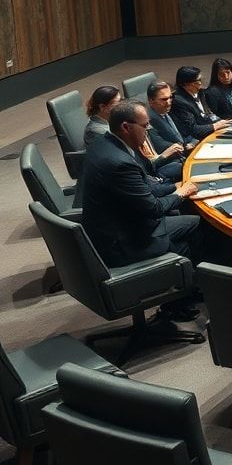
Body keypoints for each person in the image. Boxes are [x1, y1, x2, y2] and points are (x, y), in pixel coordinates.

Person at [78, 100, 201, 321]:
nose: (148, 131)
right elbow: (153, 209)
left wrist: (175, 186)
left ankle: (184, 289)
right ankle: (179, 298)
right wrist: (181, 193)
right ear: (126, 126)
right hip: (123, 242)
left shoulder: (108, 143)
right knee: (195, 223)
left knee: (184, 218)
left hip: (117, 224)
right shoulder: (119, 162)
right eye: (145, 126)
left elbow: (146, 185)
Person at [170, 66, 232, 142]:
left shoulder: (200, 92)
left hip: (211, 131)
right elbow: (192, 129)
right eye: (196, 82)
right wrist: (215, 126)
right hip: (195, 140)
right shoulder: (178, 101)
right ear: (185, 84)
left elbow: (208, 114)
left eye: (200, 80)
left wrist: (223, 122)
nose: (200, 84)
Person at [147, 80, 195, 157]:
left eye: (170, 97)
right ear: (151, 101)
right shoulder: (148, 121)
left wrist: (193, 142)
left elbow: (186, 131)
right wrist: (186, 146)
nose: (169, 102)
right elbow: (160, 146)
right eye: (164, 99)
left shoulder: (169, 111)